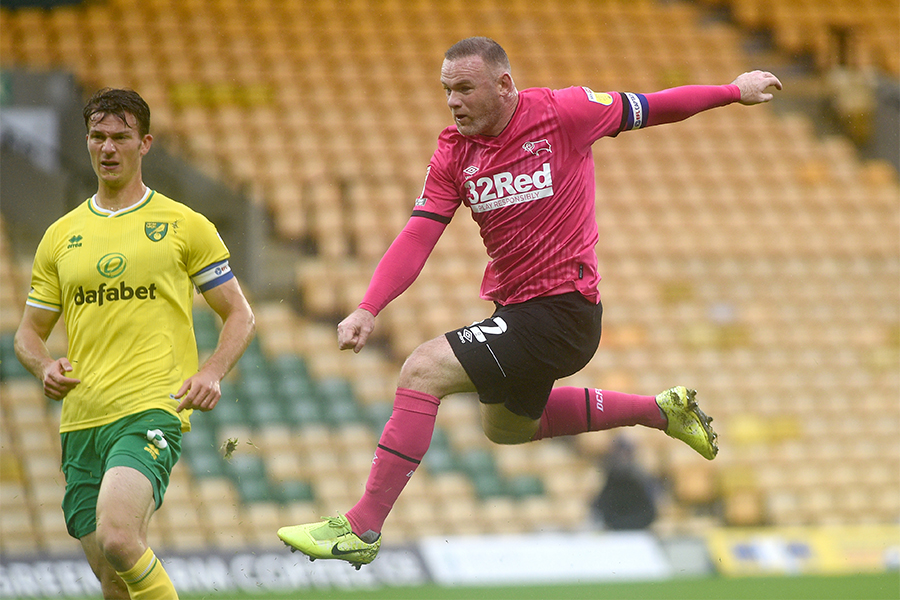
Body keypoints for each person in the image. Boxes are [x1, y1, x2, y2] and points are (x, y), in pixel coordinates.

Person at [278, 37, 781, 569]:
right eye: (447, 90)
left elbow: (653, 106)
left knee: (422, 368)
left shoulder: (564, 113)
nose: (453, 101)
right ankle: (661, 412)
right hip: (517, 312)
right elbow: (418, 235)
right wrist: (368, 306)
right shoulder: (454, 152)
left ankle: (361, 528)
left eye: (465, 88)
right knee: (507, 429)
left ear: (504, 85)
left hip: (565, 310)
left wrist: (732, 91)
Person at [14, 88, 256, 599]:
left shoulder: (183, 224)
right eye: (98, 137)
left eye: (120, 137)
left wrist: (211, 370)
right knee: (111, 578)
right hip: (82, 420)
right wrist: (42, 367)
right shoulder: (60, 236)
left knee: (121, 540)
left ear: (144, 143)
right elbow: (27, 333)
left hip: (150, 408)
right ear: (86, 142)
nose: (108, 147)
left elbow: (239, 314)